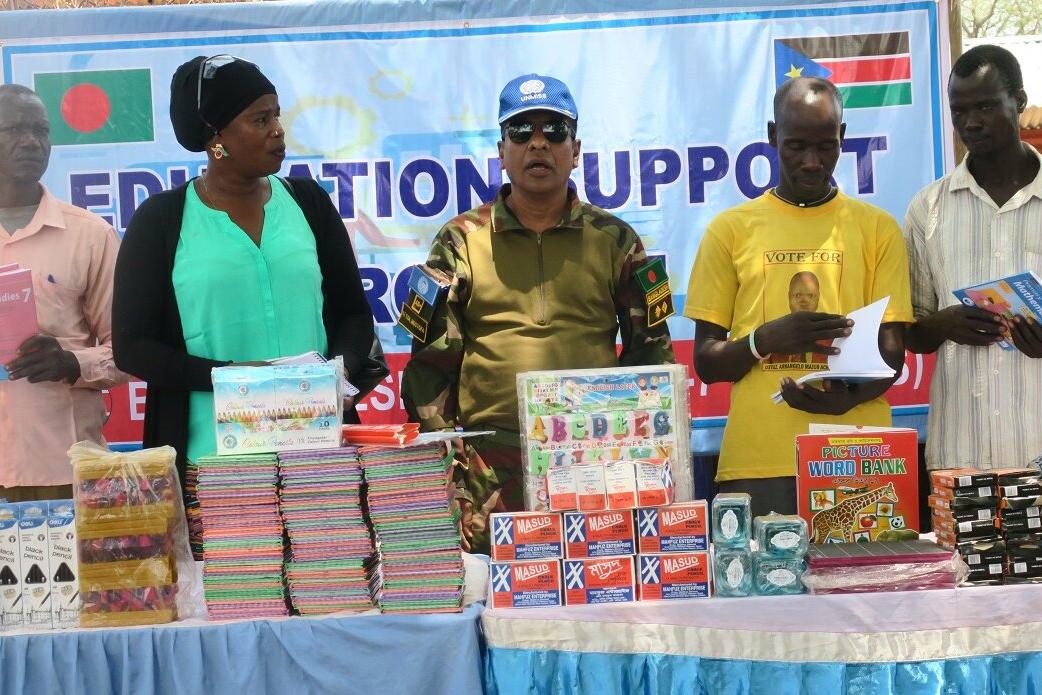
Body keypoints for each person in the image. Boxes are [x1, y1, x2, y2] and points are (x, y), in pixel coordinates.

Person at [402, 73, 674, 552]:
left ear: (576, 149)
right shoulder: (459, 240)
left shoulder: (616, 240)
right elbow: (429, 367)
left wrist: (642, 462)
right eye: (521, 131)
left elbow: (651, 356)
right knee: (494, 588)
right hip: (489, 468)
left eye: (555, 130)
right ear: (502, 151)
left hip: (594, 460)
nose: (538, 143)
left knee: (596, 582)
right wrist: (446, 469)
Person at [112, 56, 375, 489]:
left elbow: (353, 313)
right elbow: (132, 347)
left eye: (277, 115)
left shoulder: (308, 203)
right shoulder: (161, 221)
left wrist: (339, 372)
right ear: (216, 137)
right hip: (211, 465)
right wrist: (234, 379)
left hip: (319, 454)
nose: (278, 130)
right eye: (260, 119)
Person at [684, 77, 912, 517]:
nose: (811, 162)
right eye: (796, 146)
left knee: (869, 566)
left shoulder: (878, 229)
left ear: (842, 138)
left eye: (826, 147)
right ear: (773, 136)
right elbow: (707, 363)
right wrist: (764, 340)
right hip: (759, 460)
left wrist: (847, 398)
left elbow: (891, 355)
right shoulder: (730, 230)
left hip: (857, 453)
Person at [905, 45, 1042, 470]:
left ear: (1019, 101)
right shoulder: (928, 208)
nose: (971, 123)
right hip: (960, 456)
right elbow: (910, 332)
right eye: (959, 111)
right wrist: (941, 324)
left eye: (985, 106)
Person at [0, 84, 128, 502]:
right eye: (15, 130)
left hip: (65, 469)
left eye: (41, 130)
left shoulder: (90, 235)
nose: (31, 142)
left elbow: (130, 351)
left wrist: (72, 362)